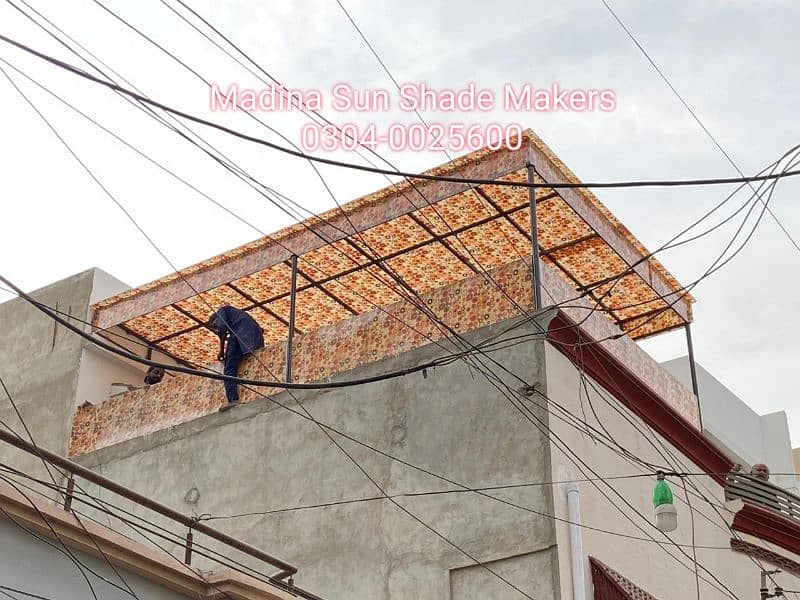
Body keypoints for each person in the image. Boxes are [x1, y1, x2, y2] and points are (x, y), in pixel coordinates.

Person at [208, 305, 264, 412]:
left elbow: (222, 327)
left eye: (214, 326)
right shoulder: (236, 315)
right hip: (255, 336)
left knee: (229, 369)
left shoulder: (221, 311)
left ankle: (232, 399)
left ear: (214, 320)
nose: (216, 330)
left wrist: (221, 350)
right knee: (235, 362)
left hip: (240, 334)